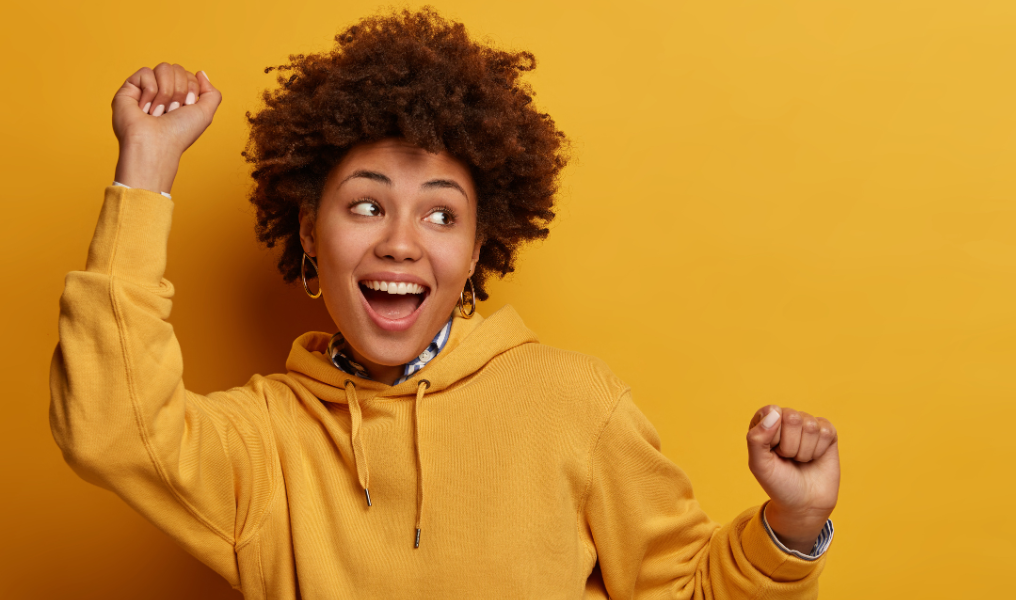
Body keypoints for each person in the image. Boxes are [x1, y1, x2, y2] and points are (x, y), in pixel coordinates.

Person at [50, 8, 840, 599]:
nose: (400, 242)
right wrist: (145, 168)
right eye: (365, 205)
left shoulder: (574, 403)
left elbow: (686, 593)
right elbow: (113, 427)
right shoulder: (265, 443)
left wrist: (793, 528)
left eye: (440, 214)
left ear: (474, 252)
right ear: (309, 234)